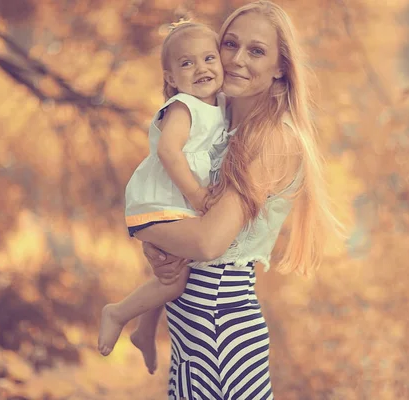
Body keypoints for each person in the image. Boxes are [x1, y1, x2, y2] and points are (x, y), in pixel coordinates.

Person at [132, 1, 343, 398]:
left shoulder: (273, 139)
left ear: (281, 66)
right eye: (230, 44)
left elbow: (207, 242)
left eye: (257, 51)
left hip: (219, 323)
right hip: (191, 325)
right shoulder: (216, 118)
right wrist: (157, 244)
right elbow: (179, 207)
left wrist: (154, 233)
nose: (236, 60)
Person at [97, 21, 226, 362]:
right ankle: (118, 313)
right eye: (187, 63)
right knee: (175, 279)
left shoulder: (219, 107)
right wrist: (198, 195)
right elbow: (169, 152)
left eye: (209, 58)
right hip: (159, 202)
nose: (201, 68)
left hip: (173, 203)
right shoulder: (184, 106)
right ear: (171, 78)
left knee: (174, 269)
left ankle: (144, 328)